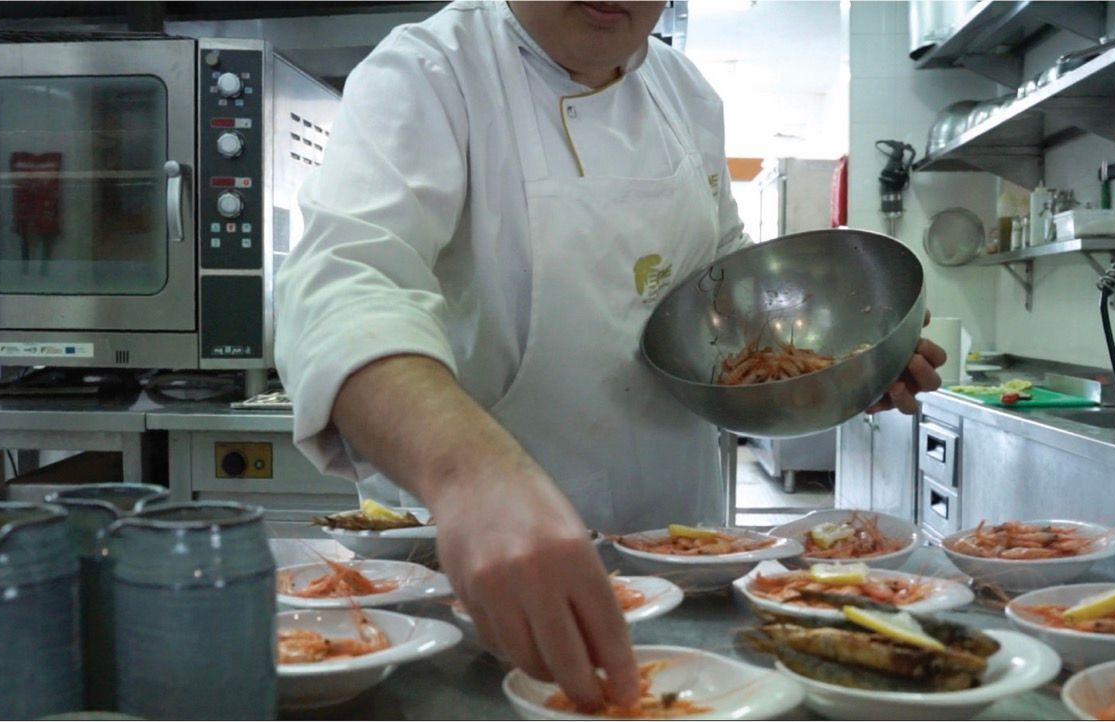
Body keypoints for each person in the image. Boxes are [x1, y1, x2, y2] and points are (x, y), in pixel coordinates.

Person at [275, 0, 946, 709]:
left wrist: (832, 367)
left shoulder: (686, 93)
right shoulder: (428, 72)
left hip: (682, 567)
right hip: (478, 585)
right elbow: (347, 284)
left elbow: (718, 274)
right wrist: (469, 477)